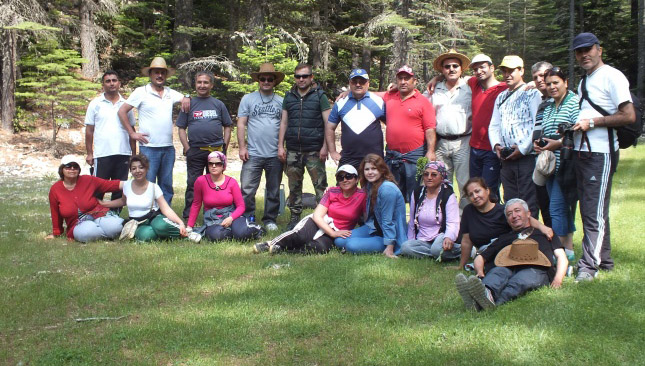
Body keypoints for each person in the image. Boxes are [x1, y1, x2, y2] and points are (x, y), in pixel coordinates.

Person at [570, 33, 636, 282]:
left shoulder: (612, 76)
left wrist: (593, 122)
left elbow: (628, 115)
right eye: (579, 51)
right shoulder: (586, 80)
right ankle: (604, 260)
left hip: (601, 152)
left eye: (589, 49)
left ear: (599, 50)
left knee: (593, 211)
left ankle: (589, 266)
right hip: (583, 151)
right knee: (592, 209)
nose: (584, 54)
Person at [455, 198, 568, 310]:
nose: (514, 216)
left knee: (519, 281)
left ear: (528, 214)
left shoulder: (545, 234)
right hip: (507, 267)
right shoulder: (504, 238)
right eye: (509, 214)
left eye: (517, 210)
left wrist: (557, 279)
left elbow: (562, 257)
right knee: (497, 273)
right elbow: (481, 257)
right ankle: (486, 293)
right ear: (507, 220)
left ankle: (489, 304)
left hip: (536, 269)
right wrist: (480, 273)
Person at [117, 57, 189, 204]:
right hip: (149, 148)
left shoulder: (170, 92)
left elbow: (186, 99)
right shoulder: (141, 92)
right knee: (147, 184)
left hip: (168, 148)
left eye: (163, 73)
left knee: (166, 185)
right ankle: (146, 215)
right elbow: (122, 111)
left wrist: (187, 97)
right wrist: (132, 133)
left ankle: (164, 216)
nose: (160, 76)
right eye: (156, 72)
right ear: (150, 74)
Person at [253, 165, 366, 254]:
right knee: (300, 236)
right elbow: (317, 215)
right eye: (340, 177)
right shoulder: (332, 192)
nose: (344, 180)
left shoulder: (362, 196)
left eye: (349, 176)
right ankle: (269, 244)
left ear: (357, 179)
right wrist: (332, 233)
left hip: (339, 230)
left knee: (319, 248)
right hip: (321, 221)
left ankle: (284, 250)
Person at [455, 177, 554, 270]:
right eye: (471, 194)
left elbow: (526, 218)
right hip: (484, 251)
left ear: (487, 191)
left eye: (477, 191)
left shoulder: (503, 210)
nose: (475, 196)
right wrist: (461, 265)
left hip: (505, 247)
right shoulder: (468, 211)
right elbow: (466, 241)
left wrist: (543, 228)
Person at [533, 66, 579, 264]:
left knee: (557, 208)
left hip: (568, 164)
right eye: (549, 83)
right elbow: (545, 131)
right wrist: (540, 144)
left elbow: (577, 132)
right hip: (550, 165)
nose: (552, 87)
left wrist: (557, 144)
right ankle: (567, 249)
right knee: (562, 208)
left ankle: (558, 251)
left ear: (565, 82)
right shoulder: (549, 106)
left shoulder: (574, 102)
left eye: (556, 83)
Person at [278, 63, 331, 230]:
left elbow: (328, 123)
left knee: (320, 186)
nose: (301, 79)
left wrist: (326, 147)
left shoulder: (320, 96)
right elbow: (284, 122)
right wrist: (280, 145)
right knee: (294, 187)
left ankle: (322, 218)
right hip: (293, 150)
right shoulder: (289, 96)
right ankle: (294, 217)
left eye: (305, 76)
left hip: (314, 150)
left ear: (311, 77)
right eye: (298, 76)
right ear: (295, 78)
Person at [489, 55, 542, 217]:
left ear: (521, 71)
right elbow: (494, 124)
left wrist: (523, 148)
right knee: (510, 200)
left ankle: (531, 238)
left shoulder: (533, 94)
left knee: (528, 199)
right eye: (504, 71)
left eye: (511, 71)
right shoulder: (501, 96)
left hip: (526, 157)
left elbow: (537, 125)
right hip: (506, 157)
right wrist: (496, 145)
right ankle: (514, 237)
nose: (507, 75)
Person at [177, 71, 233, 221]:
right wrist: (187, 148)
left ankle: (215, 216)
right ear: (195, 84)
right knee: (192, 185)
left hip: (215, 151)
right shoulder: (188, 104)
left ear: (211, 85)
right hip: (195, 151)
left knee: (215, 184)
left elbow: (228, 126)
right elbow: (181, 128)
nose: (202, 85)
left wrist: (224, 147)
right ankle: (189, 217)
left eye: (206, 82)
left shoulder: (218, 104)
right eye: (199, 82)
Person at [237, 63, 285, 231]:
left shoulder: (281, 101)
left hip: (274, 154)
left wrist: (281, 147)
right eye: (263, 78)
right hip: (253, 153)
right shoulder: (248, 99)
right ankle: (248, 217)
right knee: (247, 189)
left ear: (274, 82)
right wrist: (242, 147)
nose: (266, 81)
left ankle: (270, 219)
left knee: (273, 189)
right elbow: (241, 124)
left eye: (269, 79)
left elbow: (284, 125)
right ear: (258, 80)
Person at [99, 154, 190, 242]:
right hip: (137, 222)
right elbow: (123, 201)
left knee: (161, 226)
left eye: (141, 167)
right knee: (145, 236)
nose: (137, 171)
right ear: (131, 171)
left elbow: (166, 209)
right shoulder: (126, 185)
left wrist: (180, 223)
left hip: (153, 218)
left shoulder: (154, 187)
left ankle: (187, 235)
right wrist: (104, 204)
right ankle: (163, 235)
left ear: (146, 169)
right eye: (134, 168)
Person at [335, 154, 407, 258]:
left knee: (351, 245)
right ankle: (364, 243)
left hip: (389, 235)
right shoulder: (370, 185)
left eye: (374, 169)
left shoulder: (387, 189)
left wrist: (390, 246)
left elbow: (388, 220)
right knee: (339, 240)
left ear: (382, 170)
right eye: (367, 169)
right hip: (374, 228)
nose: (370, 172)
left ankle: (385, 245)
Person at [426, 50, 472, 209]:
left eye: (455, 66)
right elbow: (416, 99)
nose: (451, 69)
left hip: (463, 142)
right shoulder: (434, 89)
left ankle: (465, 220)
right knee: (441, 182)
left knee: (465, 183)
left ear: (461, 69)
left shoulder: (470, 87)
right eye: (447, 67)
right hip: (440, 143)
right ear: (442, 70)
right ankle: (444, 217)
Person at [384, 65, 437, 202]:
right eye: (400, 78)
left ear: (415, 81)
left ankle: (415, 222)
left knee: (417, 194)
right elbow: (371, 94)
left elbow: (430, 128)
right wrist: (349, 91)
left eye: (407, 78)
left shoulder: (423, 102)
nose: (403, 82)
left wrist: (430, 151)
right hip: (393, 157)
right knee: (392, 195)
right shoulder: (389, 97)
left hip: (416, 156)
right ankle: (395, 223)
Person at [84, 70, 135, 205]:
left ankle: (115, 217)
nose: (111, 84)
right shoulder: (95, 104)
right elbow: (89, 130)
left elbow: (132, 130)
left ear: (119, 83)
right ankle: (95, 215)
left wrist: (134, 155)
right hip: (102, 154)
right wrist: (89, 153)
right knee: (98, 188)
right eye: (108, 81)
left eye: (114, 80)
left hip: (123, 153)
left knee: (119, 188)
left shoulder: (126, 104)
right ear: (103, 85)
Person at [187, 151, 263, 241]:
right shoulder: (200, 181)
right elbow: (196, 204)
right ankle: (234, 232)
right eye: (210, 163)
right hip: (212, 218)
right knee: (216, 235)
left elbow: (241, 206)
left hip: (231, 215)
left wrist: (231, 218)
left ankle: (257, 230)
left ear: (223, 165)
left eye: (217, 163)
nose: (214, 166)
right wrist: (189, 227)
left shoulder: (232, 182)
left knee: (242, 234)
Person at [46, 155, 124, 242]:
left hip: (99, 214)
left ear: (79, 169)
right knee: (87, 232)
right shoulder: (55, 189)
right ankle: (109, 234)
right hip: (78, 223)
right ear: (62, 169)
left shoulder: (87, 180)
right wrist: (57, 232)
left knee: (117, 226)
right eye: (68, 166)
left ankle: (107, 232)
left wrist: (134, 183)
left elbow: (110, 185)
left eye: (75, 166)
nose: (72, 168)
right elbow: (55, 212)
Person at [326, 68, 385, 171]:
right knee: (343, 185)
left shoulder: (379, 101)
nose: (358, 84)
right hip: (349, 157)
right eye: (354, 81)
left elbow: (392, 124)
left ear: (368, 83)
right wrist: (332, 151)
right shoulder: (341, 102)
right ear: (349, 83)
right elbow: (330, 127)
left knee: (374, 187)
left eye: (362, 81)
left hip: (374, 158)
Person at [467, 54, 508, 200]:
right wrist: (437, 78)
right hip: (475, 148)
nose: (479, 71)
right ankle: (478, 222)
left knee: (489, 192)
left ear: (492, 68)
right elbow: (456, 78)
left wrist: (532, 84)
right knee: (474, 190)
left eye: (482, 67)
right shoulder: (474, 84)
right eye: (475, 69)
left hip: (492, 149)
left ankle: (493, 221)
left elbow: (521, 85)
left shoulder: (504, 88)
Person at [400, 161, 460, 260]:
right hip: (423, 240)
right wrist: (411, 240)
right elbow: (411, 221)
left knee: (436, 248)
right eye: (426, 174)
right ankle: (437, 254)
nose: (429, 177)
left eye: (434, 174)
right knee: (405, 247)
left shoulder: (448, 195)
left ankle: (461, 250)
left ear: (442, 177)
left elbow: (453, 222)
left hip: (441, 237)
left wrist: (449, 237)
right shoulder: (417, 193)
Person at [530, 61, 554, 227]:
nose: (539, 80)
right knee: (543, 202)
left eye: (543, 76)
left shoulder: (560, 99)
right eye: (535, 77)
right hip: (540, 159)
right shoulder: (542, 102)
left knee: (557, 205)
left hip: (556, 158)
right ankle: (549, 239)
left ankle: (562, 246)